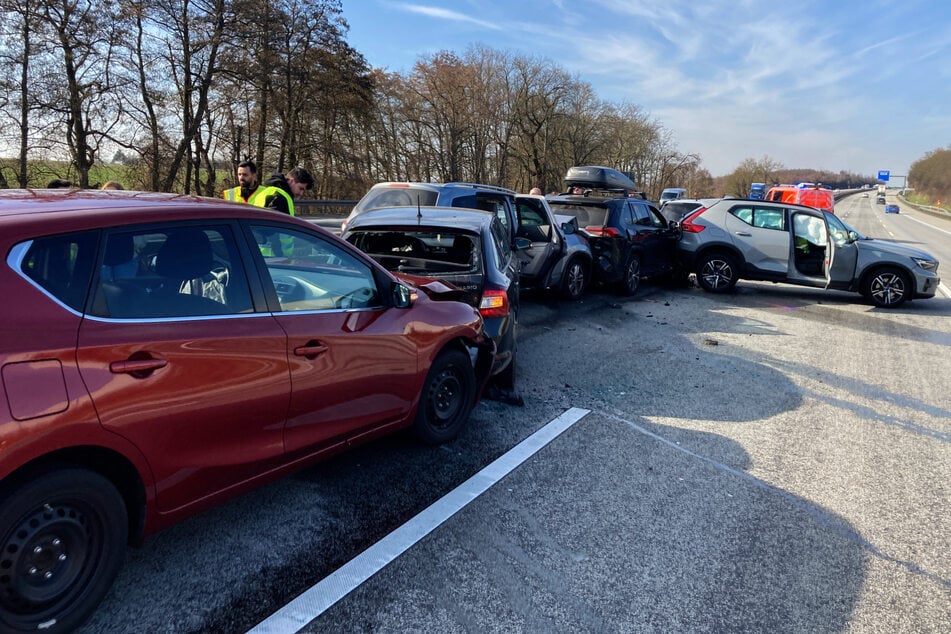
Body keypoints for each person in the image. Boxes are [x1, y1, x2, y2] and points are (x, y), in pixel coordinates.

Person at [249, 166, 314, 216]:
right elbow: (273, 227)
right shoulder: (279, 197)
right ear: (291, 181)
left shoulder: (268, 191)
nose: (301, 193)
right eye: (300, 188)